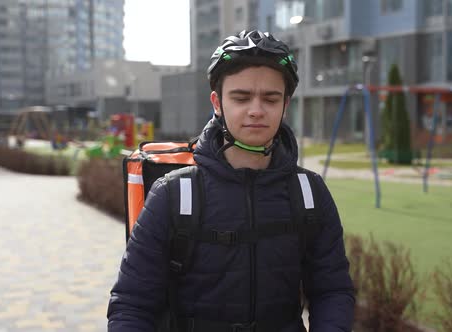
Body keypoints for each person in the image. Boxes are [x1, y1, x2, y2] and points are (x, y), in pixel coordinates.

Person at [107, 30, 354, 332]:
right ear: (217, 102)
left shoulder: (310, 193)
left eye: (270, 98)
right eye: (241, 97)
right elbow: (132, 304)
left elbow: (332, 290)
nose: (256, 110)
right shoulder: (172, 195)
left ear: (285, 105)